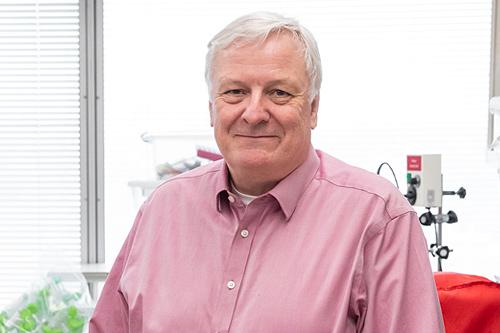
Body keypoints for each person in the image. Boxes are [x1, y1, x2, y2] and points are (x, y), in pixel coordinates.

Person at [90, 12, 444, 332]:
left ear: (313, 108)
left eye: (278, 92)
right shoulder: (163, 209)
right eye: (235, 92)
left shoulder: (378, 218)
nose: (254, 113)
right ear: (212, 108)